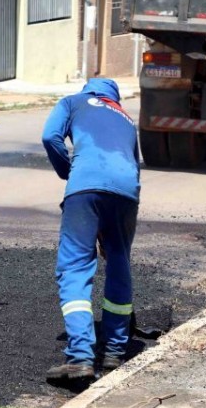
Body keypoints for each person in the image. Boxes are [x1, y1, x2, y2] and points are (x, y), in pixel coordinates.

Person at [41, 78, 140, 384]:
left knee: (74, 267)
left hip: (85, 185)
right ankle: (114, 350)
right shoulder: (126, 119)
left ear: (88, 90)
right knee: (119, 263)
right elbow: (135, 167)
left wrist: (69, 173)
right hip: (127, 192)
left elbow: (50, 137)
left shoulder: (73, 102)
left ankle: (81, 357)